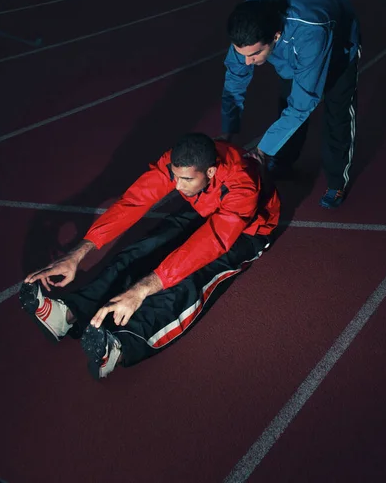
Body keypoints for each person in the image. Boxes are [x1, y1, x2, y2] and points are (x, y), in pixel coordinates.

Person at [20, 133, 280, 380]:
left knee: (189, 278)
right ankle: (69, 313)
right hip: (205, 206)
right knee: (143, 248)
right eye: (175, 177)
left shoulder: (243, 183)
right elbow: (132, 202)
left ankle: (120, 346)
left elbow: (211, 243)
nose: (176, 185)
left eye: (185, 180)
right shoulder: (178, 164)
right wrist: (78, 254)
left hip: (246, 231)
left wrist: (142, 289)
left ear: (210, 172)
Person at [220, 0, 361, 208]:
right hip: (291, 43)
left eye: (255, 55)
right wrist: (228, 129)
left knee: (338, 113)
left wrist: (262, 151)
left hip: (337, 43)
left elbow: (303, 104)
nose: (248, 61)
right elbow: (235, 79)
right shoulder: (246, 27)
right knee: (286, 102)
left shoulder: (312, 32)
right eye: (242, 54)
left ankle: (337, 182)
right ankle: (284, 161)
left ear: (275, 37)